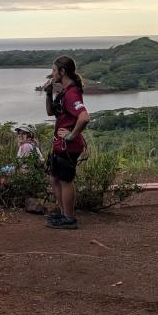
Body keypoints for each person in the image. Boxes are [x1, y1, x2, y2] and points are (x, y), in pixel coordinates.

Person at [42, 55, 90, 229]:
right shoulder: (63, 92)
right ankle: (63, 214)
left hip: (68, 146)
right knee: (54, 178)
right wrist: (48, 93)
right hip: (60, 144)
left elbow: (84, 118)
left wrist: (71, 135)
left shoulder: (71, 94)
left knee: (65, 180)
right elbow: (50, 112)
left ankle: (69, 218)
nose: (52, 74)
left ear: (63, 72)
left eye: (54, 70)